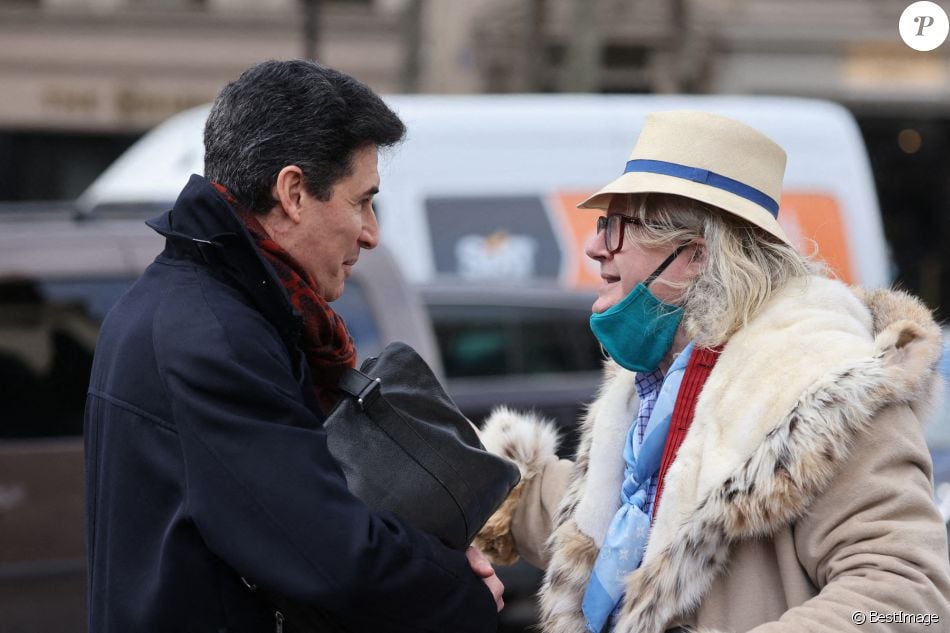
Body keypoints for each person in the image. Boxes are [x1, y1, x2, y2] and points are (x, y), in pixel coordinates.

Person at [473, 110, 950, 632]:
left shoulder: (828, 390)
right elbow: (620, 522)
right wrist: (471, 481)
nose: (593, 246)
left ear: (695, 255)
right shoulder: (662, 379)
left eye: (615, 226)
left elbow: (911, 601)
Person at [84, 59, 502, 633]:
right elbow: (327, 551)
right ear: (294, 192)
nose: (372, 232)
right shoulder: (215, 336)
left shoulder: (185, 305)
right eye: (362, 200)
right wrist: (459, 588)